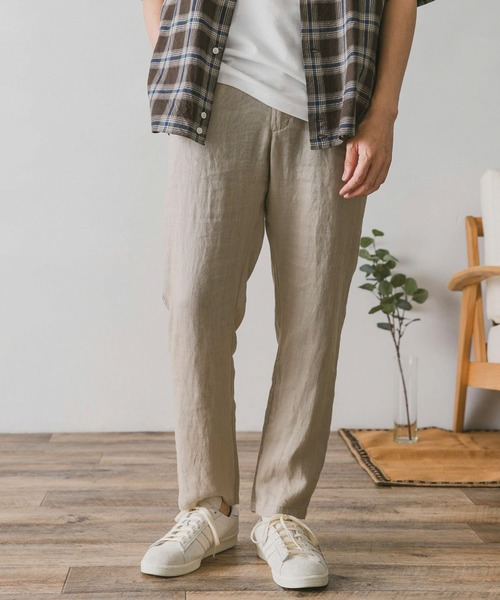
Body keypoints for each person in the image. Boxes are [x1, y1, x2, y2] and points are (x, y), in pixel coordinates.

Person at [140, 0, 436, 589]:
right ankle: (208, 507)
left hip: (332, 100)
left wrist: (383, 113)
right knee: (194, 303)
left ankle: (282, 513)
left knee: (313, 315)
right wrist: (172, 57)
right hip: (214, 90)